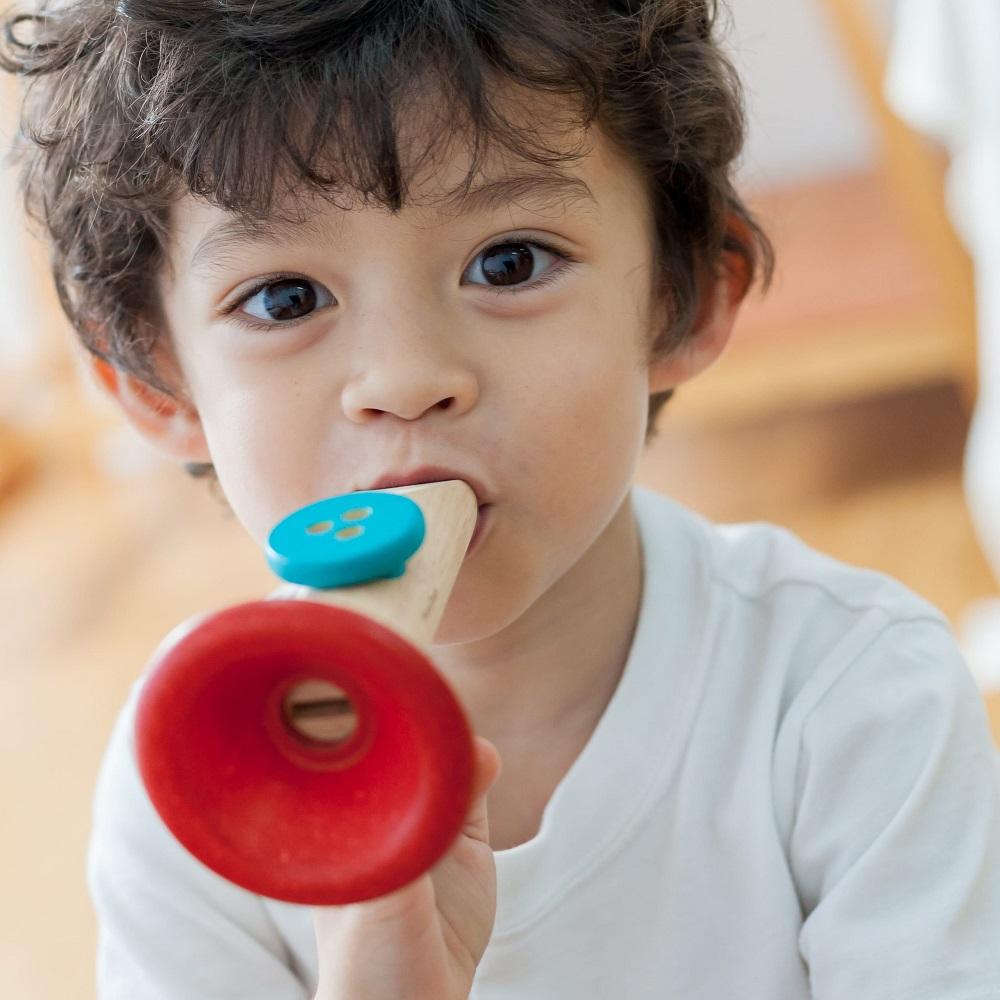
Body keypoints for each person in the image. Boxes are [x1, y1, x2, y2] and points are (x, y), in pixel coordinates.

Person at [3, 1, 999, 997]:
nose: (402, 377)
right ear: (153, 384)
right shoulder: (194, 778)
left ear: (683, 295)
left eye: (508, 262)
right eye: (285, 299)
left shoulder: (849, 696)